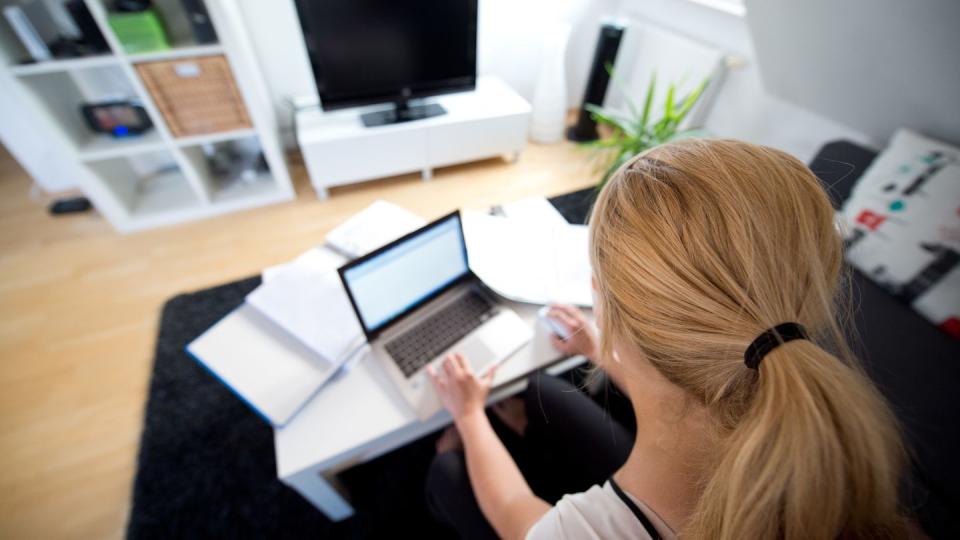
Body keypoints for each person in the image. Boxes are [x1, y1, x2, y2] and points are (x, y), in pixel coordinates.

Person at [423, 138, 910, 539]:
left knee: (447, 474)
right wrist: (597, 349)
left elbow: (514, 514)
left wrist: (468, 416)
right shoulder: (798, 405)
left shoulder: (584, 532)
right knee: (543, 392)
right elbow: (690, 382)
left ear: (600, 297)